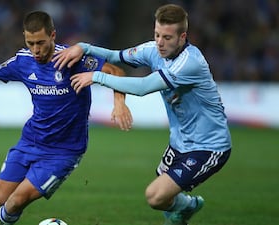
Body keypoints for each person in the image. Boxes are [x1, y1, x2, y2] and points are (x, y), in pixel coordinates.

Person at [0, 11, 133, 225]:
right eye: (30, 43)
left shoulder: (71, 58)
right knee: (1, 198)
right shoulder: (23, 61)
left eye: (40, 42)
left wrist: (119, 103)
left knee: (16, 200)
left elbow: (115, 71)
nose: (36, 50)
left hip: (64, 150)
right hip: (30, 141)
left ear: (53, 35)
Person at [53, 4, 231, 225]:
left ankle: (188, 208)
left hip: (208, 146)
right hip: (179, 143)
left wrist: (97, 77)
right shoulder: (153, 49)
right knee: (164, 197)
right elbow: (114, 56)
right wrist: (83, 47)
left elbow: (143, 86)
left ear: (182, 36)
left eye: (167, 37)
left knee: (155, 196)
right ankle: (185, 211)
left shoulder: (190, 63)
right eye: (157, 34)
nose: (160, 42)